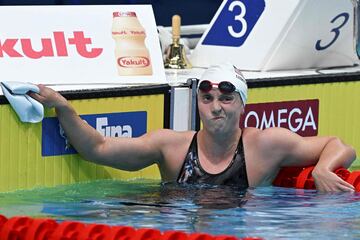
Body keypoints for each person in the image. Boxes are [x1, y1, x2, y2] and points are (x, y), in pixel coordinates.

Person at [29, 63, 357, 192]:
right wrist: (64, 107)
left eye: (226, 99)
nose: (215, 106)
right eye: (207, 97)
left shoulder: (266, 145)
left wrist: (323, 169)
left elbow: (340, 145)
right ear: (198, 101)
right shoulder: (169, 147)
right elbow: (98, 149)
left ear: (243, 104)